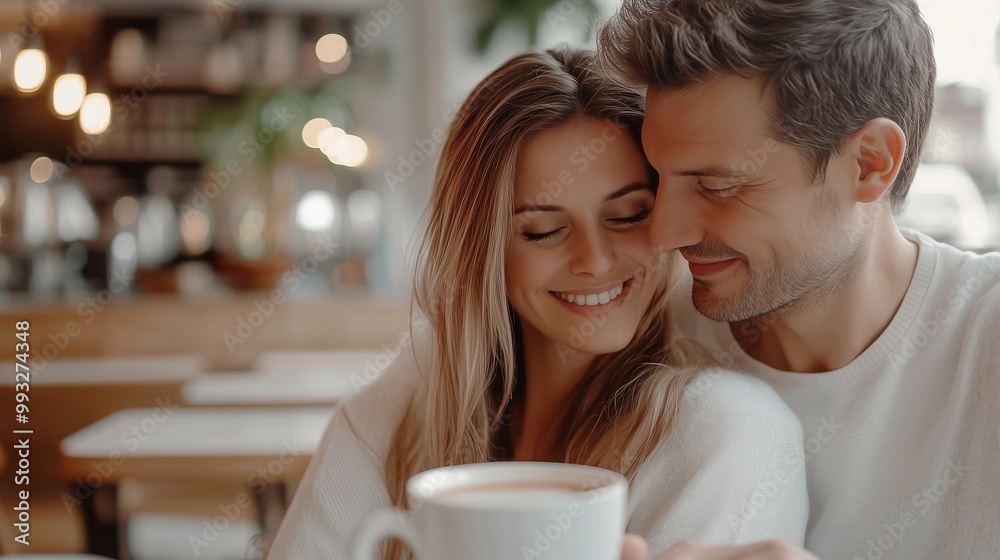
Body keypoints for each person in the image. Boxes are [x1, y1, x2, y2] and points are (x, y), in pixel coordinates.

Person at [266, 46, 808, 559]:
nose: (594, 261)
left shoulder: (728, 432)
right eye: (543, 230)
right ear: (483, 253)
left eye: (627, 215)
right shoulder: (393, 420)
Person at [594, 0, 1000, 559]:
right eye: (658, 179)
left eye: (715, 186)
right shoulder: (636, 335)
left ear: (869, 165)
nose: (663, 235)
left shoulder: (986, 337)